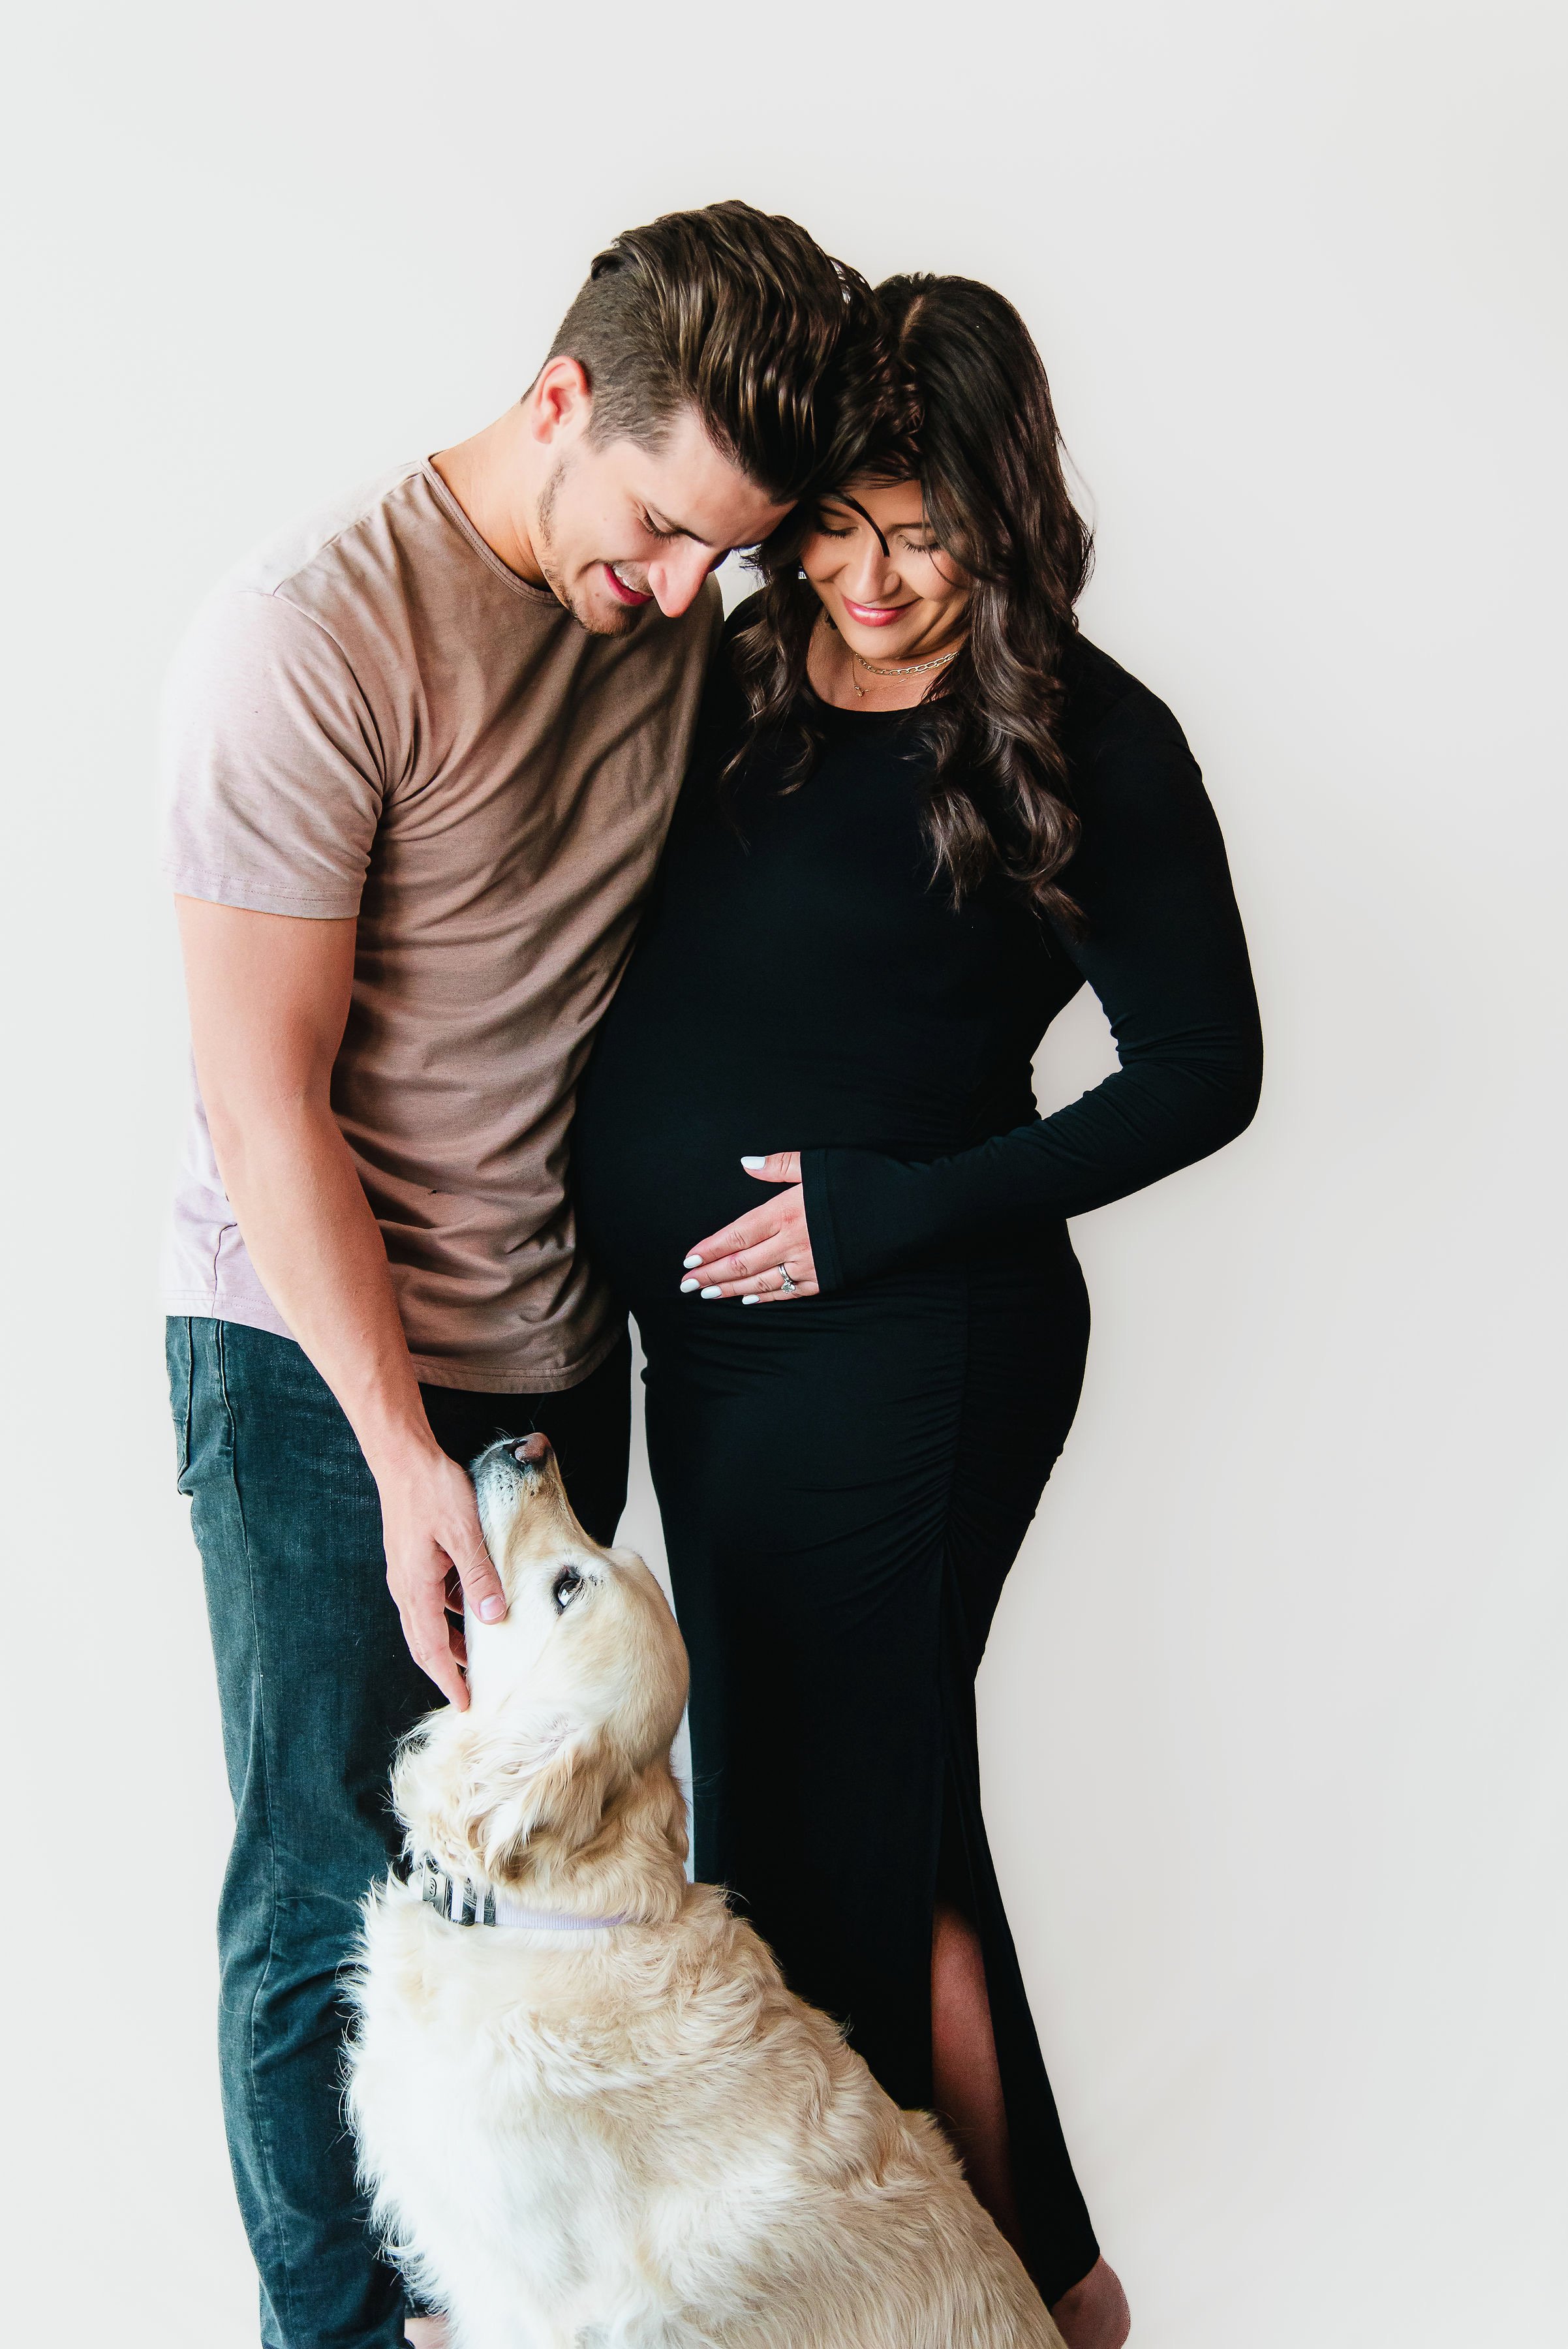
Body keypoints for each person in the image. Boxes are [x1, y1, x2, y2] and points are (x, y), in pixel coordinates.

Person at [161, 201, 874, 2349]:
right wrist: (395, 1447)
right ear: (557, 399)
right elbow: (262, 1103)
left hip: (556, 1360)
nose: (671, 596)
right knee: (325, 1904)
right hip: (314, 1368)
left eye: (716, 560)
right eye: (655, 528)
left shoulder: (668, 604)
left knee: (526, 1897)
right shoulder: (309, 637)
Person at [572, 273, 1265, 2349]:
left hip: (913, 1352)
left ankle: (985, 2299)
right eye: (842, 527)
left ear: (1002, 509)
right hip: (717, 1359)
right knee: (865, 1824)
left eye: (924, 532)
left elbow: (1202, 1070)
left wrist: (890, 1214)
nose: (875, 580)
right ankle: (1041, 2297)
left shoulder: (1084, 729)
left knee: (825, 1849)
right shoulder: (749, 668)